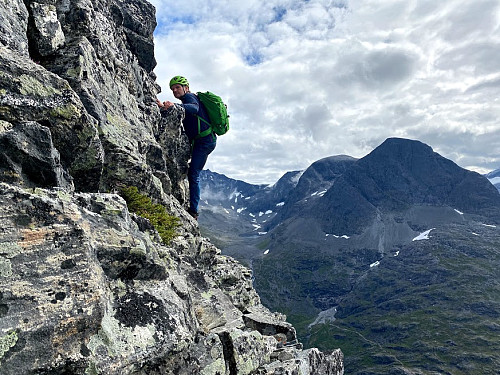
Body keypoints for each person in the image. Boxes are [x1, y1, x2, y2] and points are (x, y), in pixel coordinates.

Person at [156, 76, 216, 220]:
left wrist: (174, 106)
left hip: (205, 142)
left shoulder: (190, 97)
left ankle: (193, 212)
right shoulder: (185, 100)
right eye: (172, 89)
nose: (174, 90)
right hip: (199, 141)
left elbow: (194, 109)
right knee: (190, 171)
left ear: (186, 88)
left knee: (193, 173)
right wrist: (164, 107)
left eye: (177, 87)